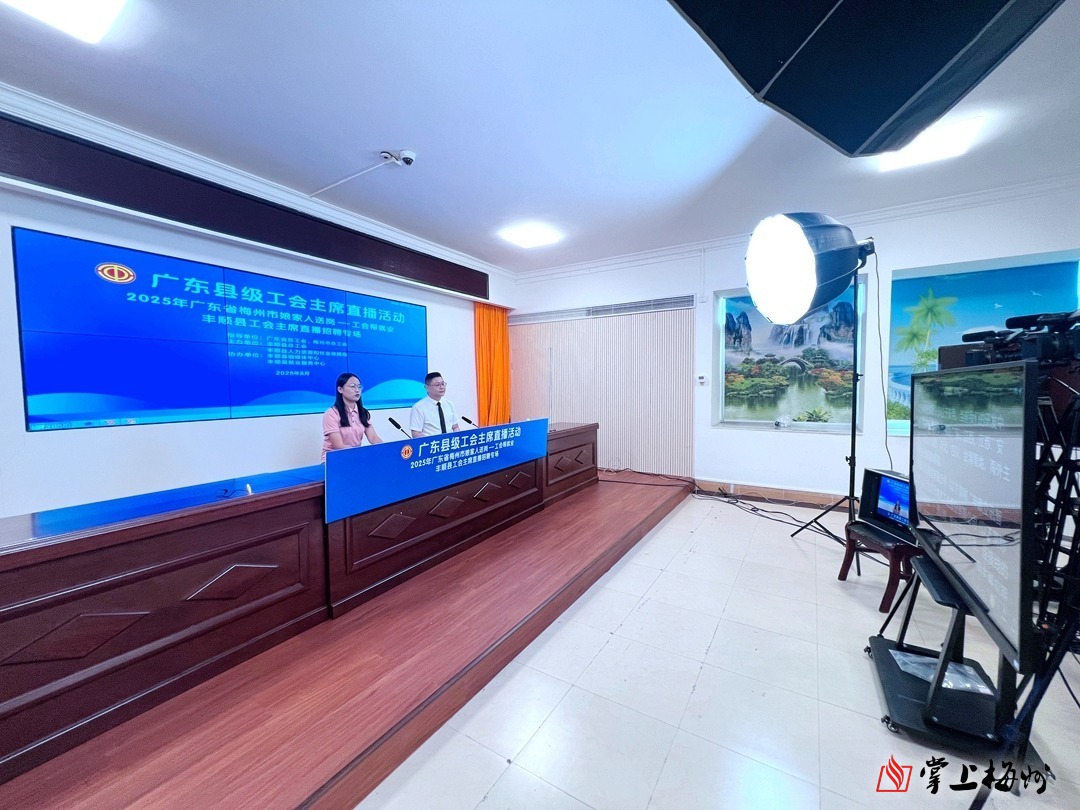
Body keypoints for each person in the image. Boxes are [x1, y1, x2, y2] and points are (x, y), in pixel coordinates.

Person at [321, 372, 382, 461]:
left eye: (359, 387)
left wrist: (385, 448)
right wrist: (361, 455)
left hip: (355, 458)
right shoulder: (331, 414)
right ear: (340, 389)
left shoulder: (364, 412)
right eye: (352, 386)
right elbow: (338, 446)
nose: (357, 390)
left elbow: (373, 438)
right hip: (334, 460)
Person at [409, 371, 460, 437]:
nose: (442, 387)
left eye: (443, 384)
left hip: (449, 442)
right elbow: (416, 433)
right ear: (427, 388)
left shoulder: (449, 404)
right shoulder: (418, 408)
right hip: (432, 443)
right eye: (437, 385)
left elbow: (455, 427)